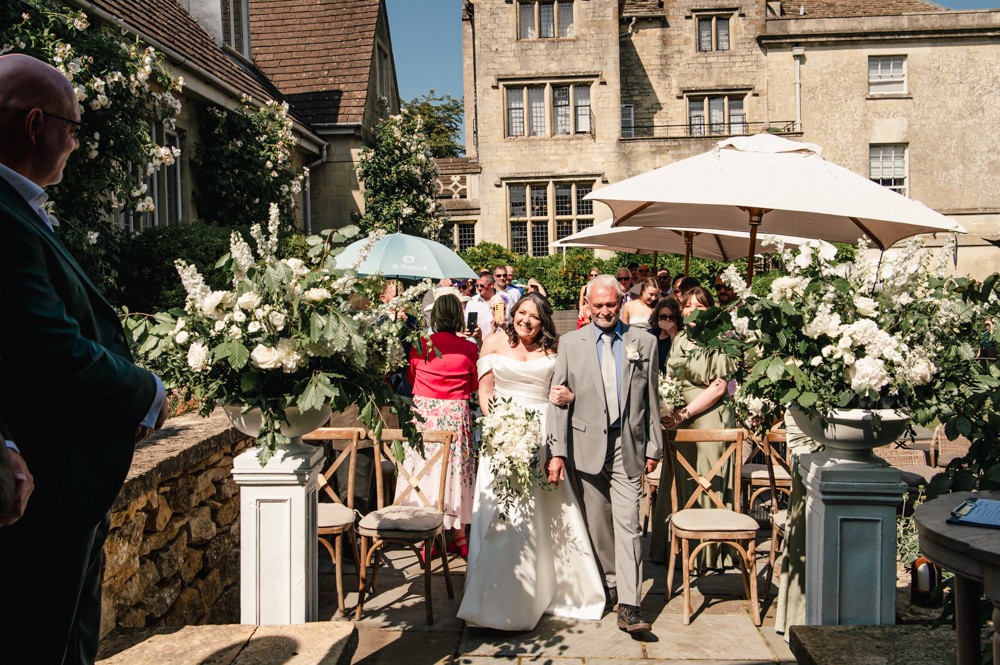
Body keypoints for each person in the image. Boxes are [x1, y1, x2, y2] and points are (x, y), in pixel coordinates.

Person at [0, 54, 169, 665]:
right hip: (43, 488)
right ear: (35, 124)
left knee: (72, 644)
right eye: (73, 126)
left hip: (70, 487)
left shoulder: (22, 207)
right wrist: (145, 390)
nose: (76, 141)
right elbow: (50, 346)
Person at [460, 293, 604, 630]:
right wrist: (497, 424)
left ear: (544, 322)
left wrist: (568, 401)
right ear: (513, 313)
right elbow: (485, 391)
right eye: (521, 313)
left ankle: (551, 590)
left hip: (542, 433)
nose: (526, 320)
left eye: (534, 317)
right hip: (502, 435)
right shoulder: (494, 341)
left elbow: (569, 390)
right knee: (503, 511)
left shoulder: (554, 351)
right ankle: (493, 594)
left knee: (543, 510)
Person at [547, 275, 663, 633]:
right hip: (585, 448)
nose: (604, 311)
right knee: (598, 523)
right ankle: (612, 583)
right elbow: (558, 400)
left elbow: (652, 399)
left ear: (620, 302)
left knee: (628, 524)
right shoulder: (571, 342)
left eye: (610, 305)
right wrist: (557, 451)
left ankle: (631, 605)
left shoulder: (643, 341)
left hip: (628, 444)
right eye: (597, 305)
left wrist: (655, 446)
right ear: (588, 306)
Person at [652, 286, 736, 569]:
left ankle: (709, 552)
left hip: (708, 419)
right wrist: (667, 406)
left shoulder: (717, 340)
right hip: (677, 421)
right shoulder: (680, 338)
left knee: (706, 478)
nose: (691, 311)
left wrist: (684, 412)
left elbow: (719, 386)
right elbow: (669, 376)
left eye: (699, 306)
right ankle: (676, 547)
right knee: (678, 479)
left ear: (710, 310)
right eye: (687, 306)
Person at [399, 293, 479, 556]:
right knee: (456, 472)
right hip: (456, 415)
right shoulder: (469, 348)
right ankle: (459, 536)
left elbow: (411, 378)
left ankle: (428, 537)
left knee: (425, 471)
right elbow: (473, 384)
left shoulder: (421, 344)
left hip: (425, 415)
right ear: (458, 316)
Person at [649, 297, 682, 374]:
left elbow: (679, 358)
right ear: (657, 318)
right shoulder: (651, 334)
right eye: (663, 317)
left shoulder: (682, 334)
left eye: (672, 317)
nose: (668, 320)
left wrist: (673, 335)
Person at [466, 274, 501, 339]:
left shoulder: (504, 298)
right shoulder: (472, 302)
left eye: (482, 285)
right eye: (477, 285)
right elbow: (467, 324)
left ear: (491, 284)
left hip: (501, 341)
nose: (479, 288)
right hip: (481, 342)